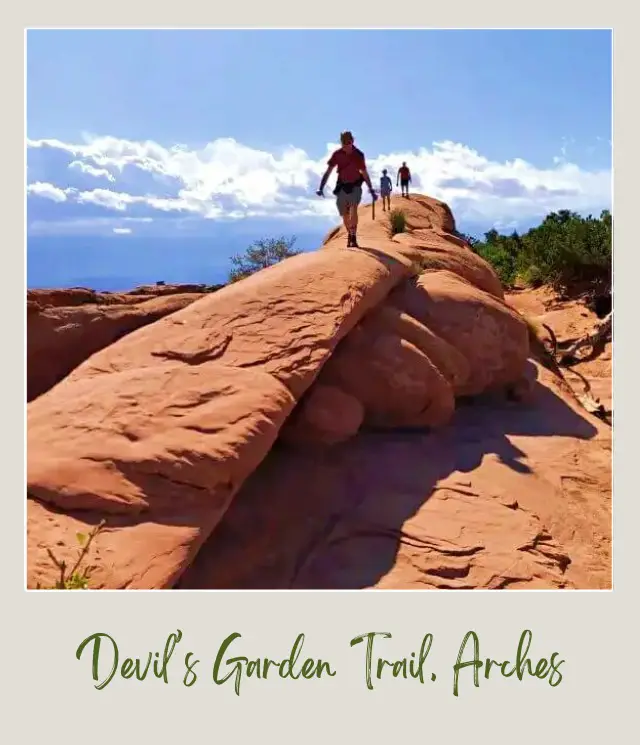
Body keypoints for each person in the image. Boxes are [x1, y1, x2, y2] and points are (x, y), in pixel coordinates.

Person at [316, 131, 377, 248]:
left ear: (352, 141)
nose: (346, 145)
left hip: (356, 185)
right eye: (344, 143)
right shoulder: (337, 154)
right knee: (344, 214)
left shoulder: (359, 155)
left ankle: (353, 236)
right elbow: (328, 171)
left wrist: (371, 189)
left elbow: (364, 173)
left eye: (348, 142)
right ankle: (350, 233)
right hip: (342, 186)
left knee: (354, 208)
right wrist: (321, 187)